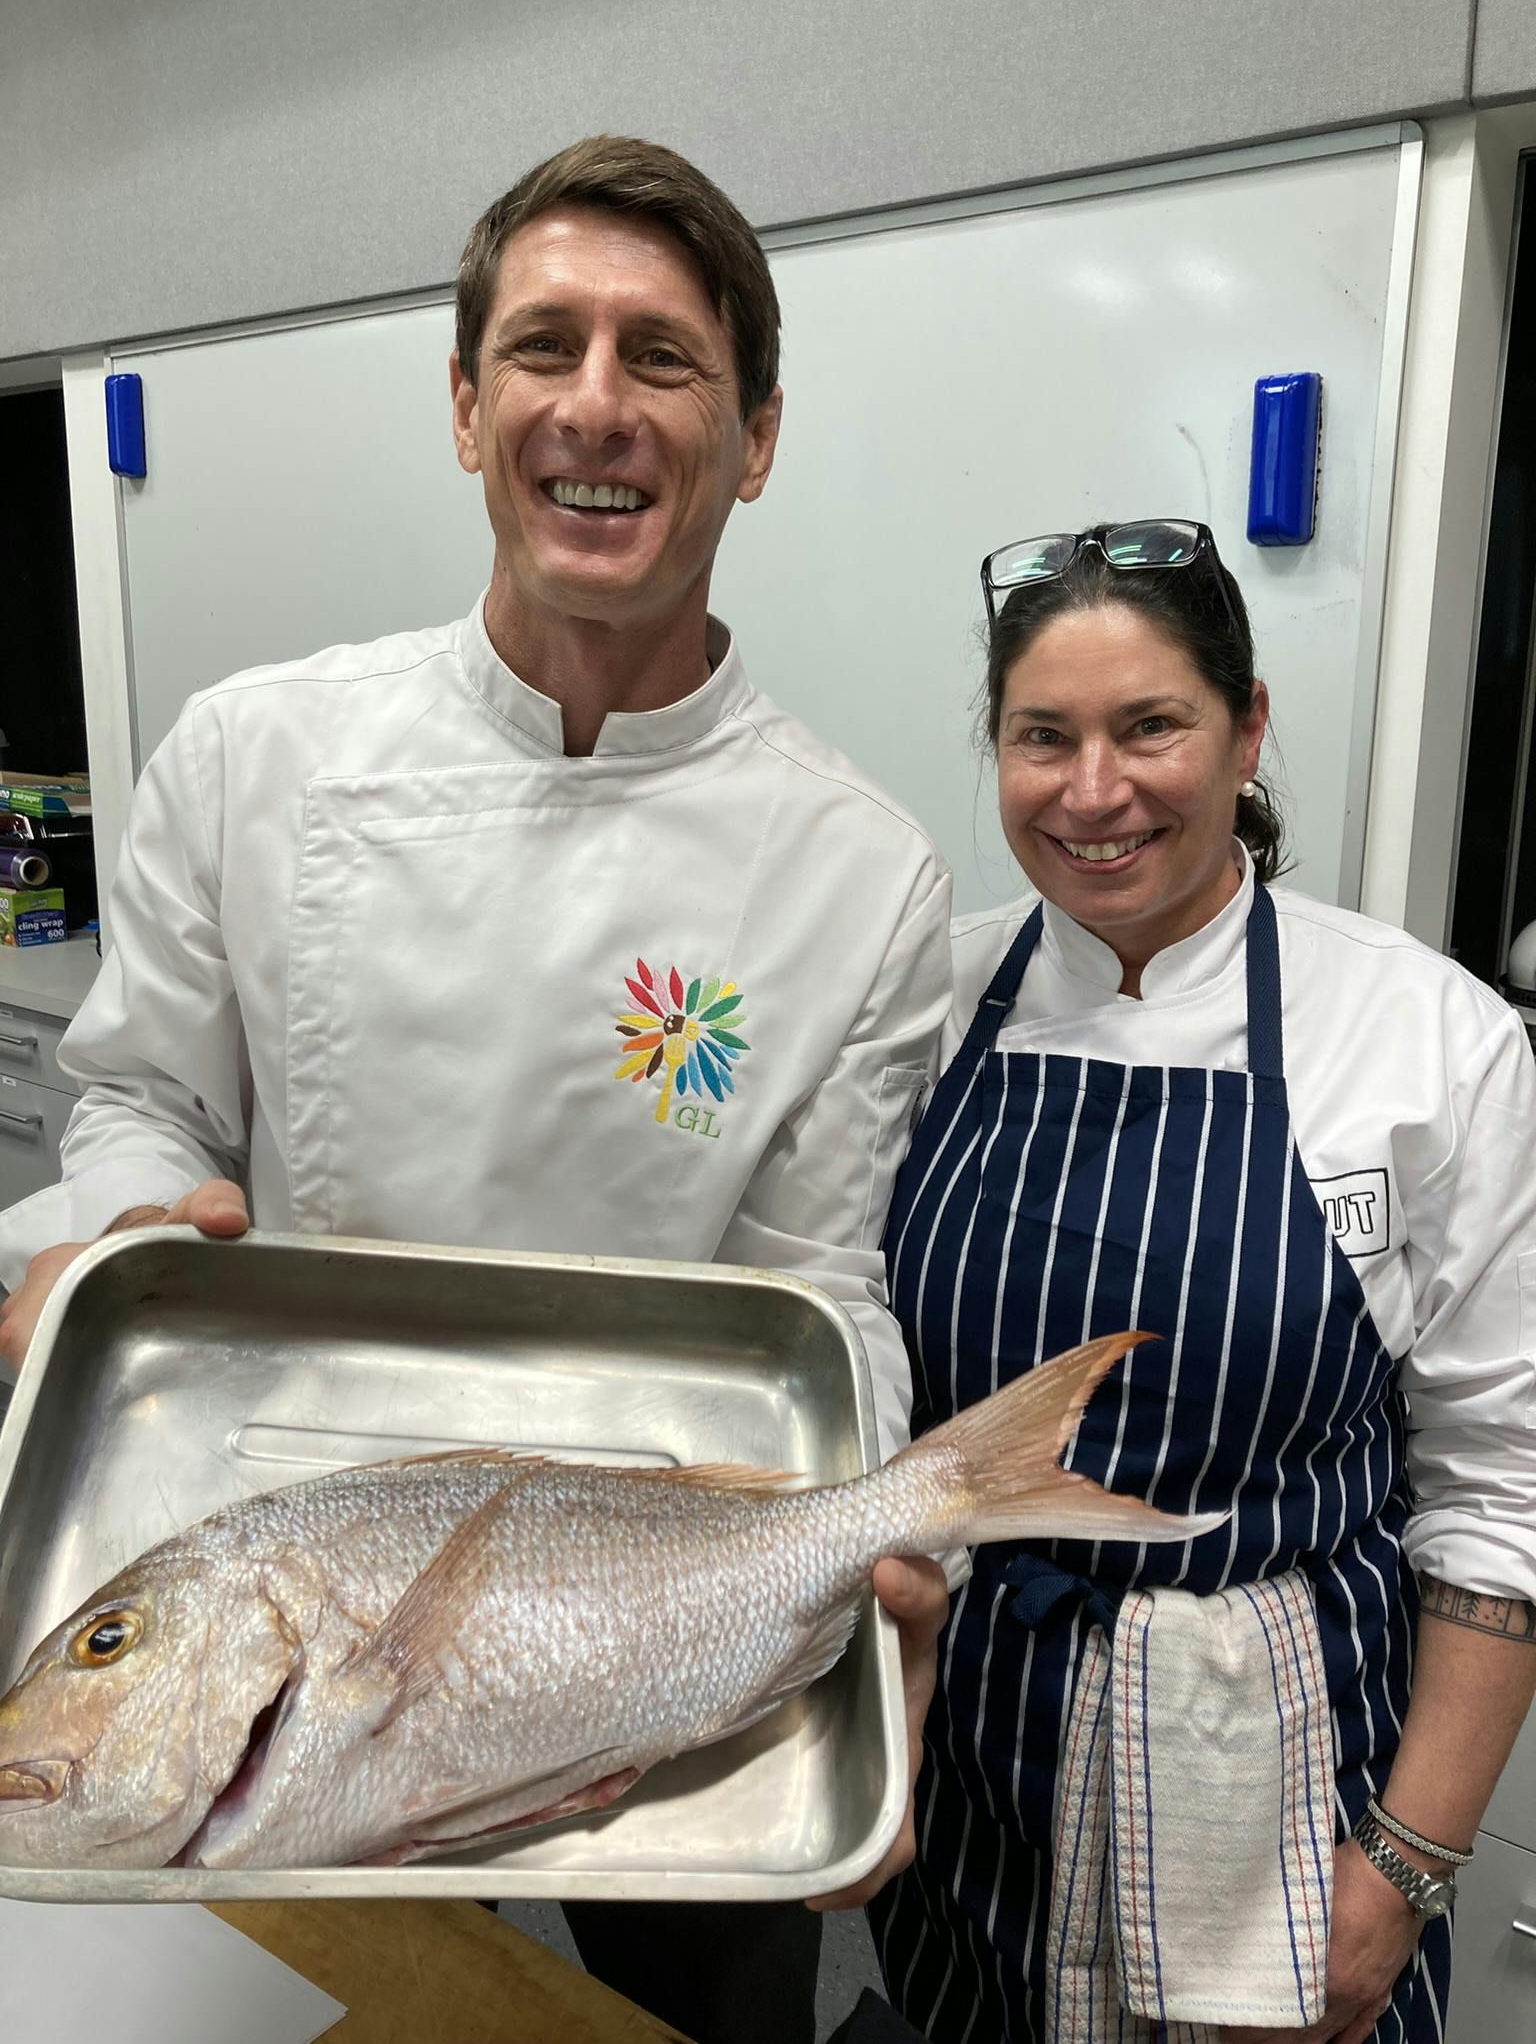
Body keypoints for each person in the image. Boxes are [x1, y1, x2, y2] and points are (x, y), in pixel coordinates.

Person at [0, 137, 953, 2044]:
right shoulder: (251, 759)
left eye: (664, 360)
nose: (593, 404)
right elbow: (142, 1105)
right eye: (543, 346)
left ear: (755, 437)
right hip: (278, 1592)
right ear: (465, 406)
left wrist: (858, 1554)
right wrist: (108, 1234)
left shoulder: (864, 871)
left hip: (646, 1611)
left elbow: (819, 1285)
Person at [868, 520, 1536, 2042]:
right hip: (971, 1777)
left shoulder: (1424, 1039)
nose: (1092, 790)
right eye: (1044, 736)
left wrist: (1403, 1871)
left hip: (1290, 1811)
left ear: (1246, 731)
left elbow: (1507, 1493)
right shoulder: (925, 1014)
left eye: (1149, 726)